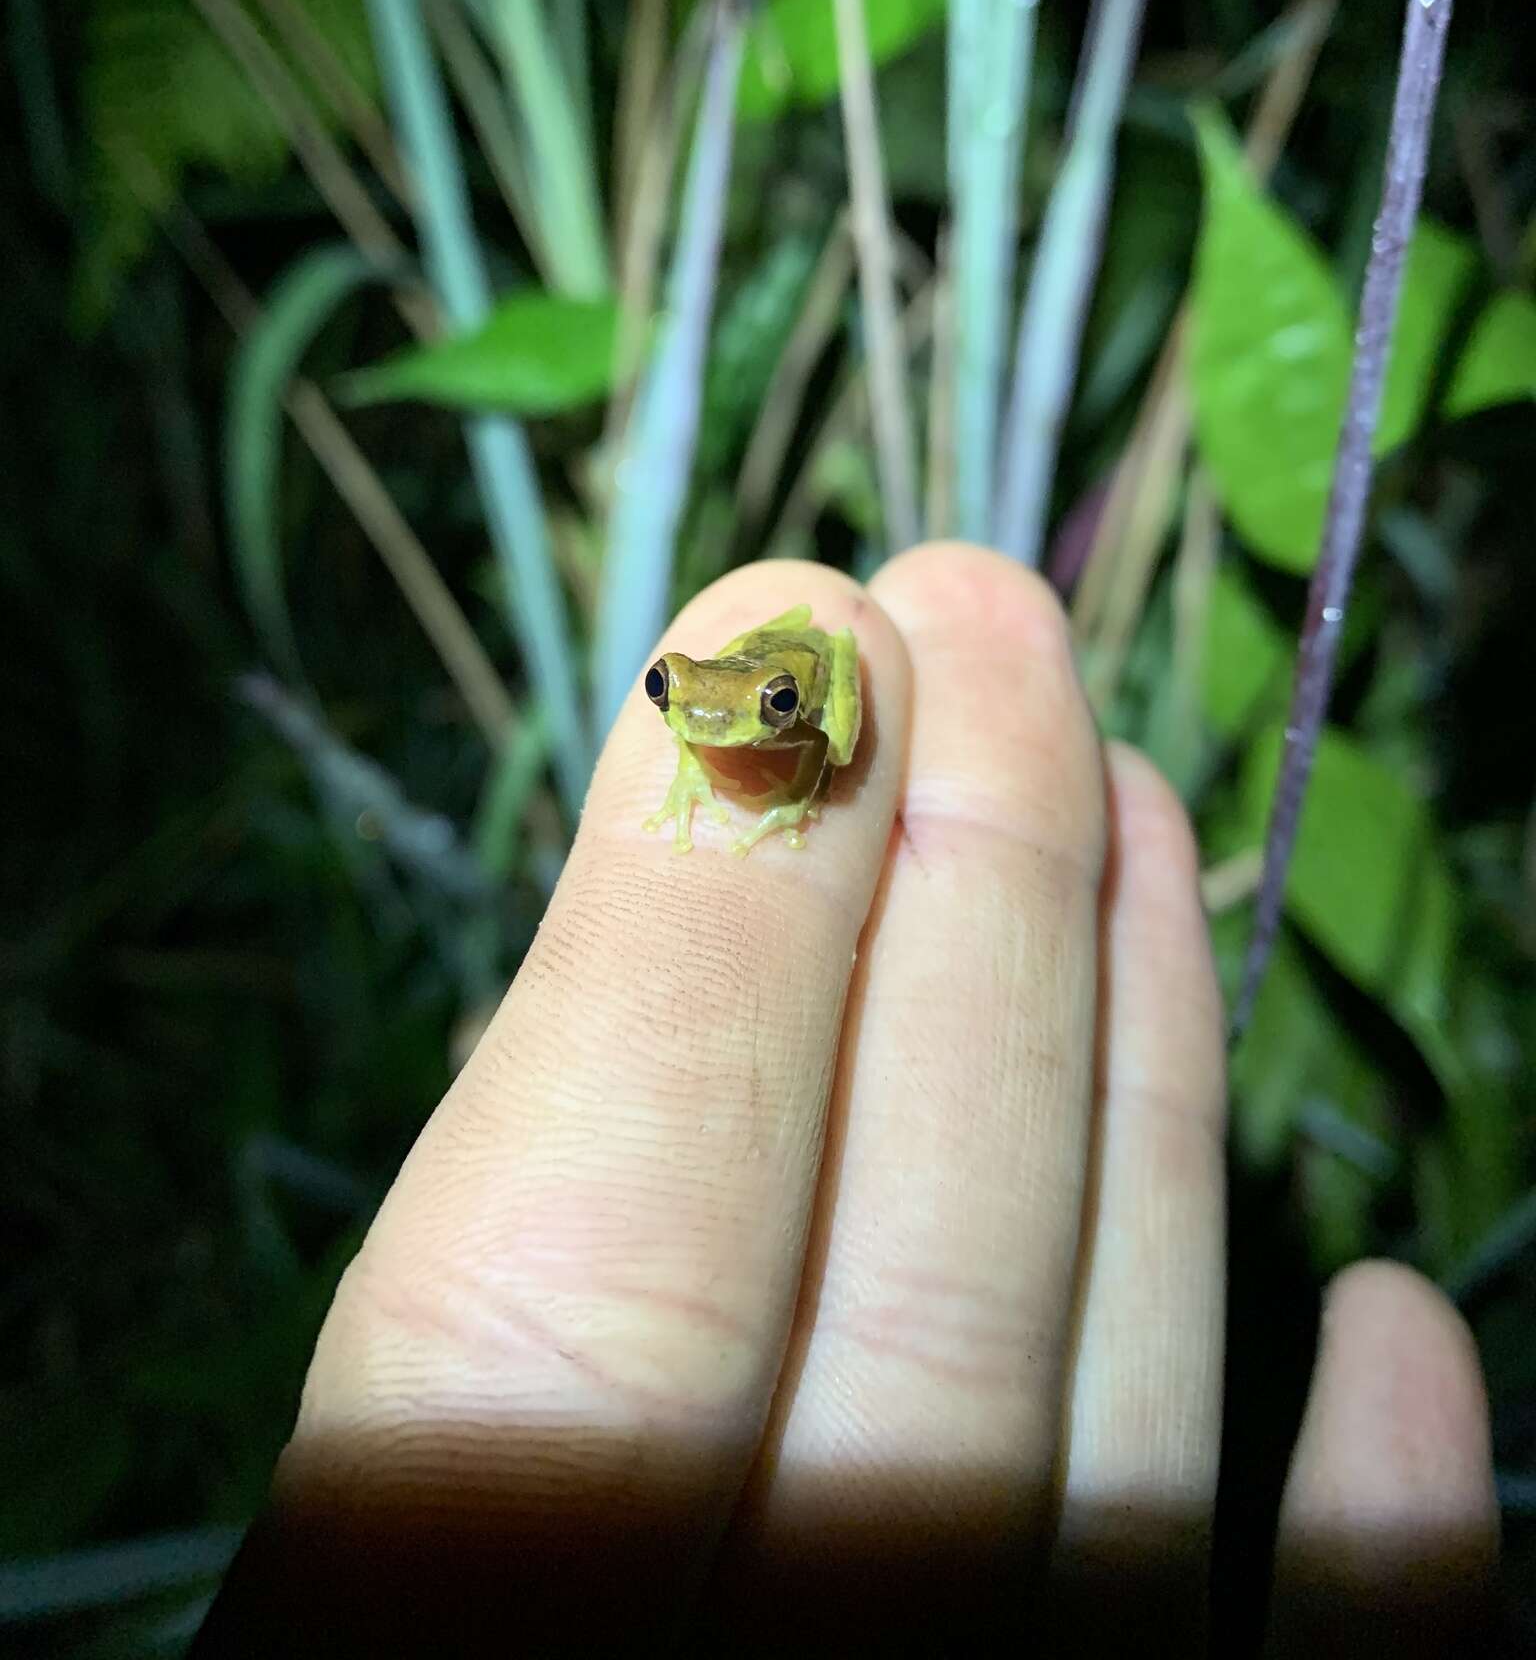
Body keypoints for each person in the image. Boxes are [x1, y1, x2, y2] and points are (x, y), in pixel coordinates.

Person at [194, 547, 1497, 1656]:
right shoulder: (709, 717)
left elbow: (811, 721)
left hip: (808, 686)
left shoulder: (795, 709)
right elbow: (713, 716)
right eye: (667, 697)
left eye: (717, 705)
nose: (692, 720)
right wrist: (710, 739)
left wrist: (784, 758)